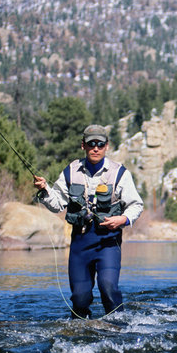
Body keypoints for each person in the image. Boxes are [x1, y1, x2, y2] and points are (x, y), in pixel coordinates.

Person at [34, 124, 143, 318]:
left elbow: (136, 205)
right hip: (80, 243)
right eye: (91, 143)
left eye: (100, 144)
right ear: (83, 145)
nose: (95, 148)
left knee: (108, 288)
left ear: (107, 146)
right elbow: (58, 204)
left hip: (108, 242)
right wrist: (45, 191)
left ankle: (121, 330)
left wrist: (123, 219)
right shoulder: (70, 171)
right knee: (80, 298)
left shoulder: (119, 173)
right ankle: (81, 335)